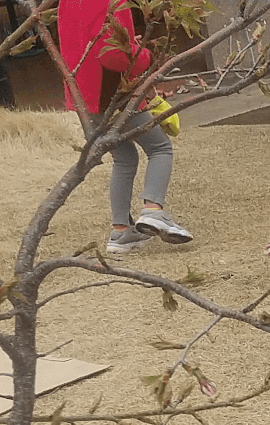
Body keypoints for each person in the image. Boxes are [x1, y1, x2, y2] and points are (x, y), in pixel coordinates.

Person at [56, 0, 193, 254]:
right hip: (112, 92)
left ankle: (121, 231)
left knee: (125, 157)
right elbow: (113, 57)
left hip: (84, 94)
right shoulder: (113, 1)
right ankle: (153, 210)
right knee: (160, 147)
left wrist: (130, 44)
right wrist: (144, 55)